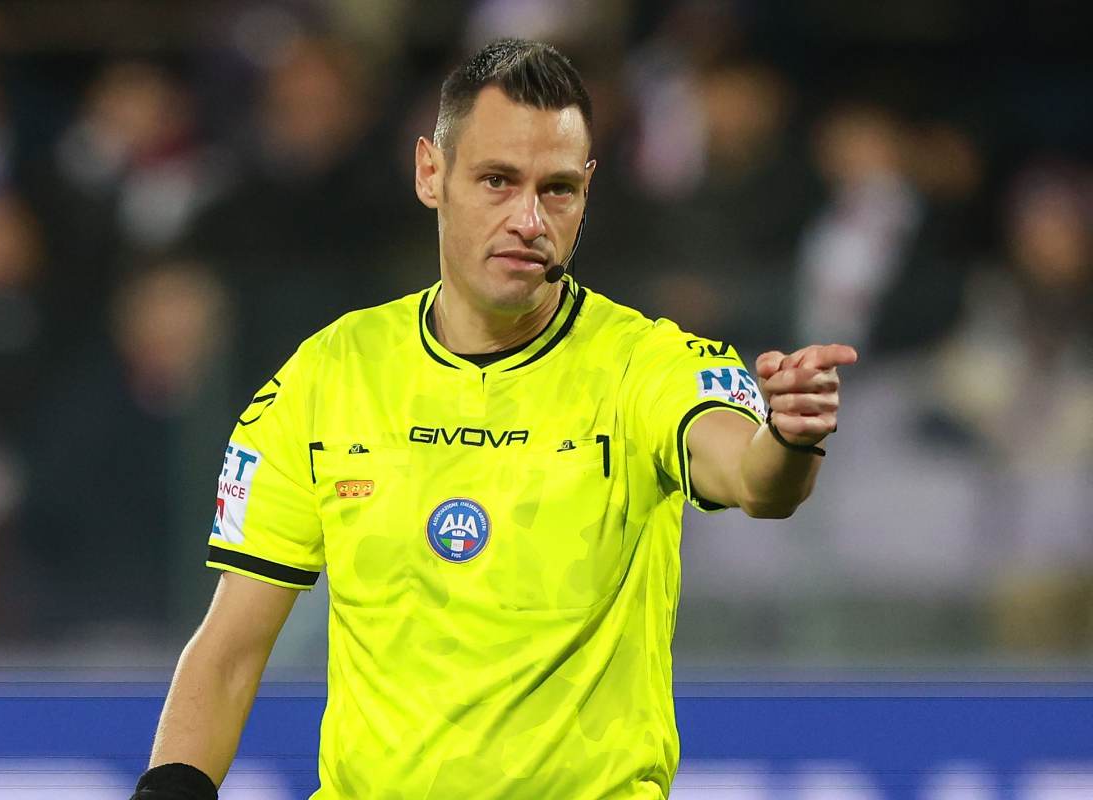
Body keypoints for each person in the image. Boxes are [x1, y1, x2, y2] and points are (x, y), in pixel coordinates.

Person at [131, 39, 857, 800]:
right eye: (497, 181)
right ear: (430, 173)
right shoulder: (328, 374)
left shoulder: (647, 364)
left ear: (587, 192)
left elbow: (755, 479)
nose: (529, 219)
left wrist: (789, 436)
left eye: (558, 190)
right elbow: (229, 649)